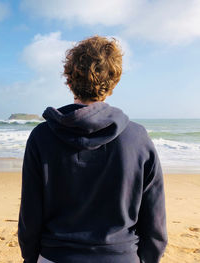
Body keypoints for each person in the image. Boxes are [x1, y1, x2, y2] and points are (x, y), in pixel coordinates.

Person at [18, 35, 167, 263]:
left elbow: (30, 217)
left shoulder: (42, 136)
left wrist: (31, 258)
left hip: (56, 256)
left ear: (69, 81)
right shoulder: (137, 138)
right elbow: (155, 223)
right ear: (113, 83)